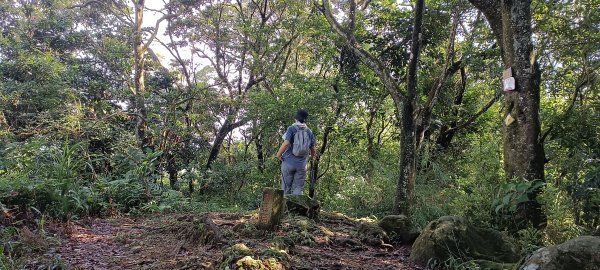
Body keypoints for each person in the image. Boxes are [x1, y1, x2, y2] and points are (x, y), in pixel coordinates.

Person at [275, 109, 316, 195]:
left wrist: (278, 154)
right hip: (302, 165)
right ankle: (296, 207)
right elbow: (313, 148)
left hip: (288, 162)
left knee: (286, 187)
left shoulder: (292, 128)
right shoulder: (309, 131)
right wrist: (312, 158)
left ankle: (285, 208)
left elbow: (286, 143)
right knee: (298, 187)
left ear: (296, 118)